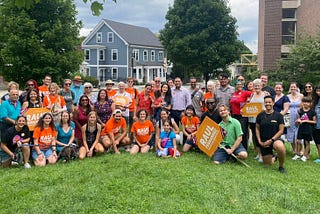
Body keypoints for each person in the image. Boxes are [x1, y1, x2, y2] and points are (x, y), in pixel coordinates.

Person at [256, 96, 286, 173]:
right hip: (264, 141)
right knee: (268, 164)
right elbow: (257, 128)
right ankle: (275, 157)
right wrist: (260, 141)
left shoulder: (278, 115)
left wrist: (271, 140)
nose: (268, 104)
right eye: (266, 102)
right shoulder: (260, 115)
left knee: (280, 146)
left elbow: (281, 130)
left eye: (269, 102)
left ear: (273, 103)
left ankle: (281, 166)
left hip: (275, 139)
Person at [292, 96, 316, 162]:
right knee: (298, 141)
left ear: (310, 103)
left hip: (308, 129)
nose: (305, 103)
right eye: (304, 102)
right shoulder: (300, 111)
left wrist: (306, 121)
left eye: (307, 102)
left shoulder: (312, 112)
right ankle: (298, 154)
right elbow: (300, 118)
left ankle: (305, 156)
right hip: (301, 128)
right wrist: (298, 120)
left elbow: (314, 121)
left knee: (307, 142)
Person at [229, 80, 252, 149]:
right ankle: (236, 147)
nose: (239, 86)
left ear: (243, 85)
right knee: (235, 132)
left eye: (241, 84)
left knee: (243, 132)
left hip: (242, 116)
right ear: (235, 86)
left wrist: (265, 93)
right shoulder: (233, 93)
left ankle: (244, 148)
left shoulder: (245, 93)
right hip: (234, 115)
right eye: (237, 84)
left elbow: (255, 94)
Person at [248, 79, 266, 162]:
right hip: (252, 118)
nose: (257, 87)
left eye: (258, 85)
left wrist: (262, 109)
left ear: (261, 86)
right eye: (255, 86)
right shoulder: (252, 95)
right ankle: (258, 153)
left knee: (261, 136)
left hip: (262, 118)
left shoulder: (265, 94)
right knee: (255, 136)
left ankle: (262, 155)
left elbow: (268, 105)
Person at [286, 82, 303, 153]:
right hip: (289, 116)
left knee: (299, 132)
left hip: (298, 116)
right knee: (290, 132)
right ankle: (294, 149)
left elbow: (302, 106)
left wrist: (300, 116)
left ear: (297, 87)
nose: (293, 88)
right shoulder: (287, 96)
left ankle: (300, 150)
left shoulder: (301, 95)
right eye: (291, 87)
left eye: (294, 87)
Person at [313, 85, 320, 163]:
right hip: (316, 125)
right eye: (317, 90)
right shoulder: (316, 100)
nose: (318, 92)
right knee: (318, 141)